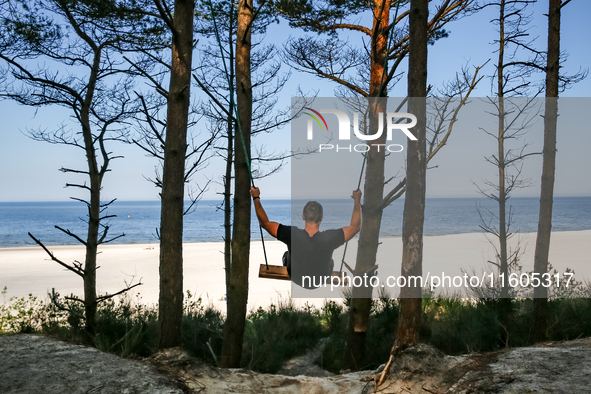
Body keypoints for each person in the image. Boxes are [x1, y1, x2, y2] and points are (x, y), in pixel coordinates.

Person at [251, 186, 362, 289]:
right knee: (331, 261)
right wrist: (357, 200)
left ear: (303, 216)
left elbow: (265, 223)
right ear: (321, 218)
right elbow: (354, 227)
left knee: (286, 255)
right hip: (320, 279)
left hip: (297, 277)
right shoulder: (329, 237)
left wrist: (256, 197)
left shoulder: (292, 234)